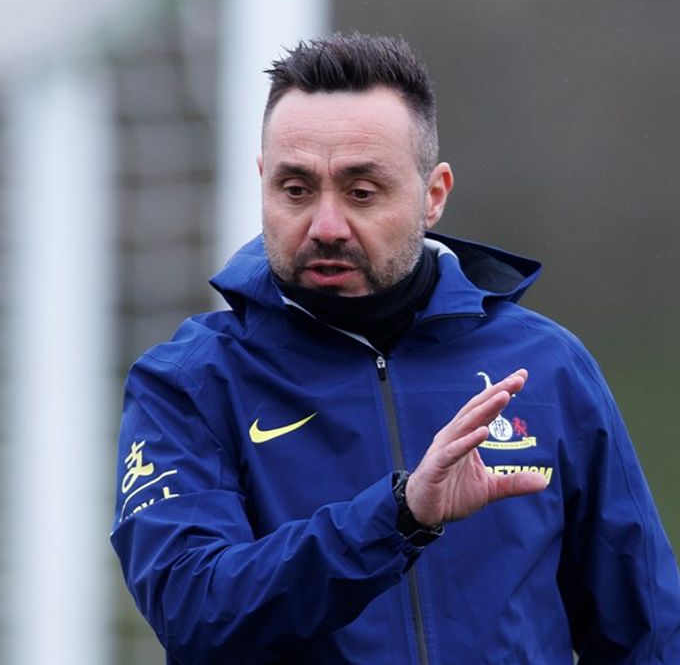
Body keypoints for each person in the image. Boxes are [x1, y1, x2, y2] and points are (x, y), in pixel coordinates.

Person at [111, 33, 680, 663]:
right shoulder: (189, 382)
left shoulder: (548, 368)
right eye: (296, 189)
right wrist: (398, 517)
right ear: (263, 182)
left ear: (433, 194)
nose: (326, 226)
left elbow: (647, 631)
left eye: (361, 192)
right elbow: (191, 607)